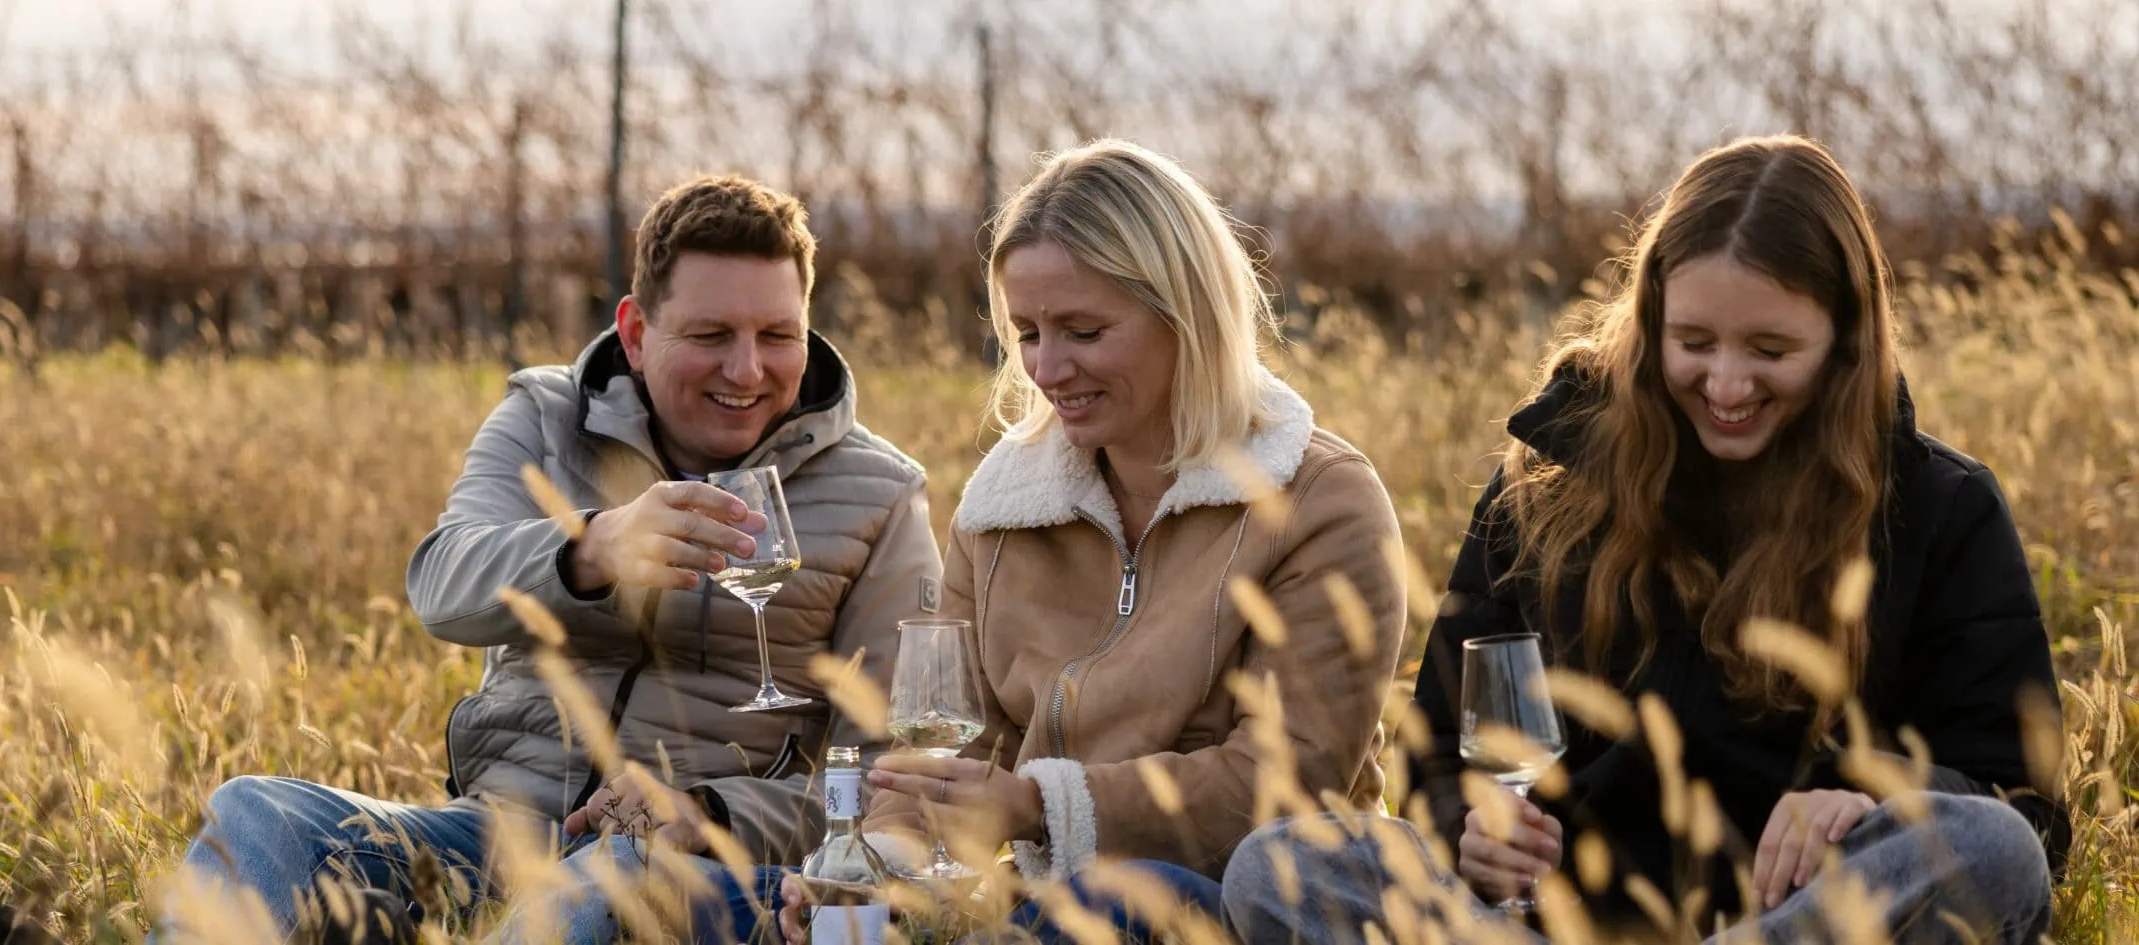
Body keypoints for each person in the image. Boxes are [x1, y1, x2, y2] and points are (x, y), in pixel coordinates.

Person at [0, 174, 942, 945]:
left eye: (777, 335)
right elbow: (442, 582)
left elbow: (898, 775)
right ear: (636, 334)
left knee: (604, 883)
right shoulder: (545, 417)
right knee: (260, 813)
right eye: (711, 334)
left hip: (687, 865)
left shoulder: (879, 494)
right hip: (499, 830)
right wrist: (591, 547)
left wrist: (709, 810)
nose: (748, 369)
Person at [1221, 135, 2068, 945]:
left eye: (1770, 349)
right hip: (1549, 923)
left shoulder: (1939, 508)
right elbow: (1437, 758)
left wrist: (1872, 798)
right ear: (1651, 317)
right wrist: (1468, 829)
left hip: (1794, 922)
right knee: (1280, 864)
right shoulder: (1548, 484)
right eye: (1694, 342)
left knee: (1991, 850)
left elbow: (2022, 807)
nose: (1726, 384)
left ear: (1846, 338)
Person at [771, 138, 1411, 944]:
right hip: (1040, 906)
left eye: (1083, 330)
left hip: (1242, 910)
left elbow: (1281, 784)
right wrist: (880, 870)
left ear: (1186, 314)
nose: (1048, 368)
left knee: (1113, 898)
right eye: (1028, 333)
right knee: (748, 897)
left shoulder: (1320, 502)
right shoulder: (1001, 511)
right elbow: (944, 751)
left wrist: (1042, 806)